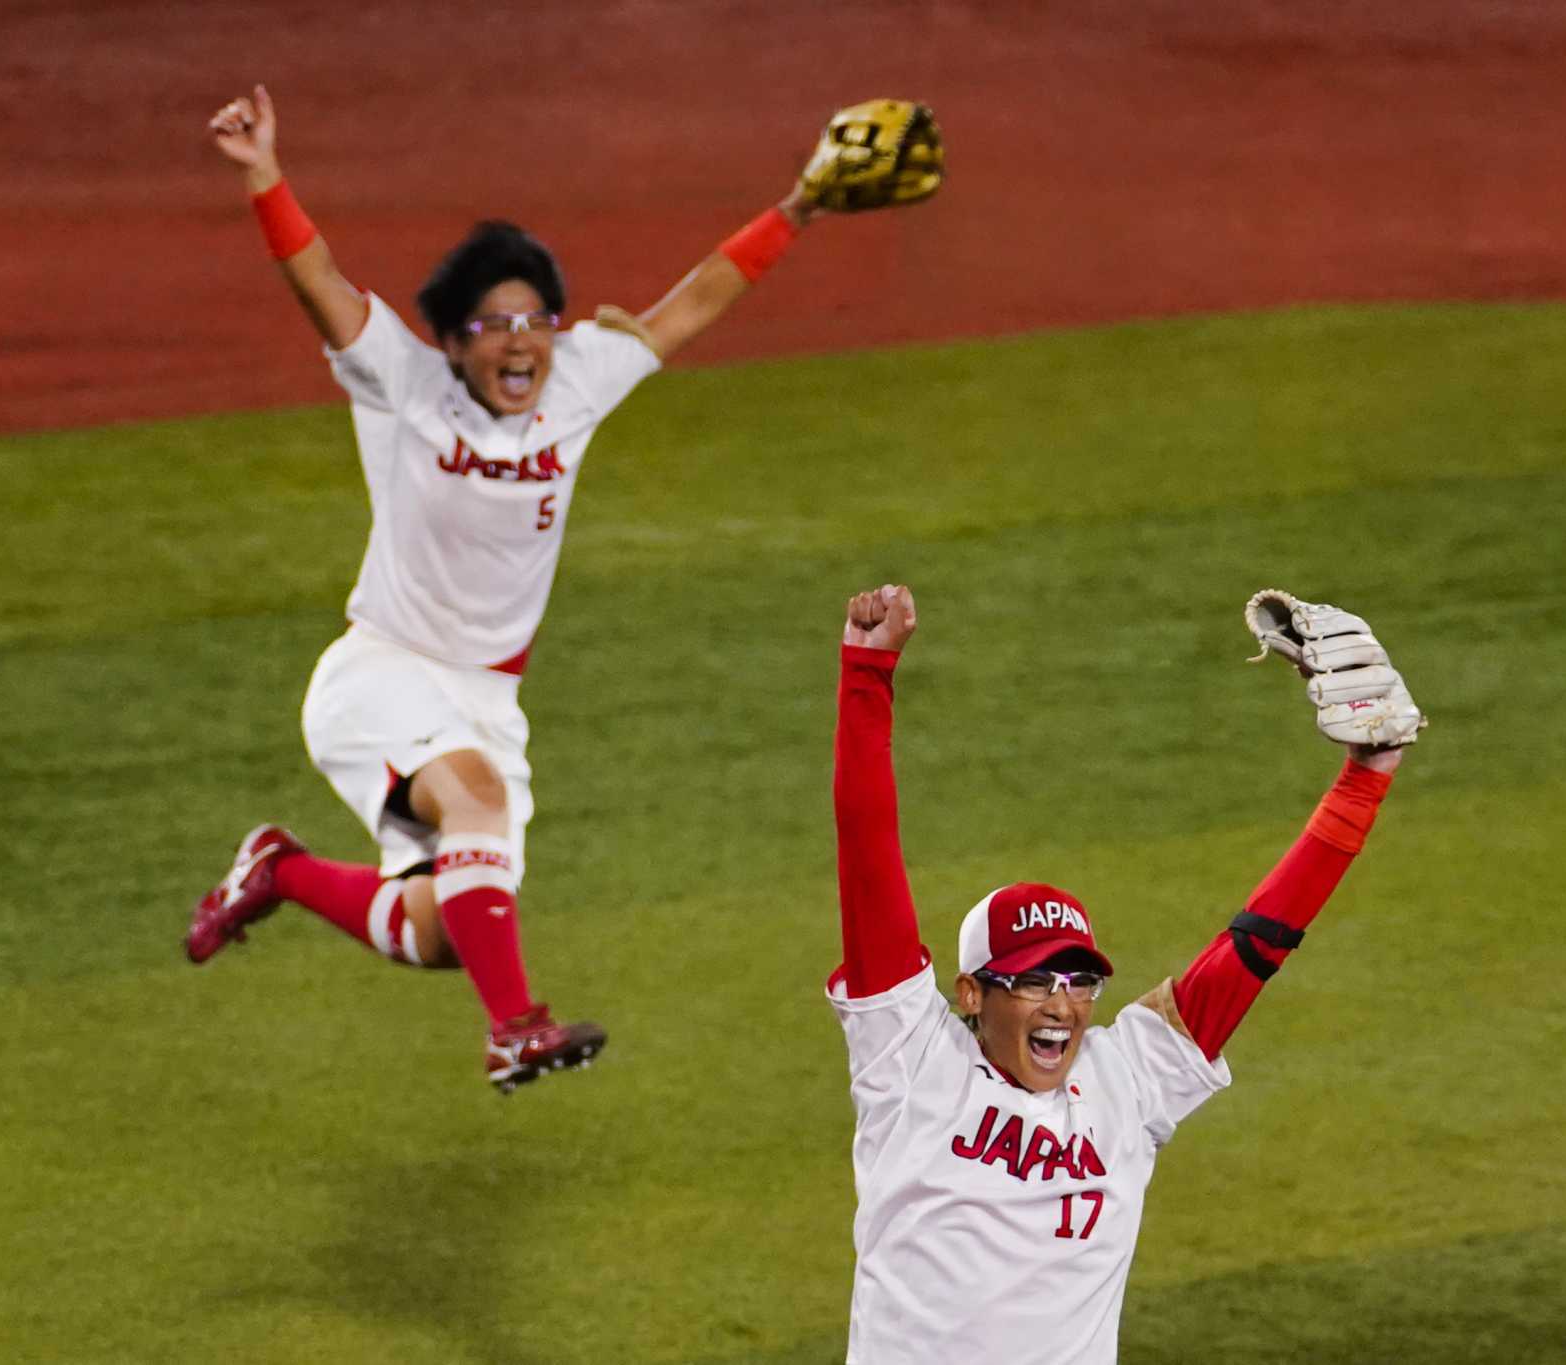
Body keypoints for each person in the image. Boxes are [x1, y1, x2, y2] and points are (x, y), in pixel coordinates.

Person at [183, 85, 922, 1092]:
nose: (518, 341)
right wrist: (265, 175)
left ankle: (280, 870)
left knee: (445, 928)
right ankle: (514, 1029)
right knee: (476, 810)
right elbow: (319, 282)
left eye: (534, 318)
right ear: (451, 340)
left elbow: (697, 298)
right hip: (382, 669)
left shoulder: (576, 379)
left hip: (488, 700)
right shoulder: (402, 384)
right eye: (492, 324)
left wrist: (797, 206)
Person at [827, 583, 1419, 1362]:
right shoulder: (909, 1061)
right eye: (1035, 979)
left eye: (1078, 980)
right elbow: (868, 854)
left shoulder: (1126, 1080)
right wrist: (866, 675)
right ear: (971, 992)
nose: (1063, 1005)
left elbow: (1258, 945)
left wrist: (1366, 777)